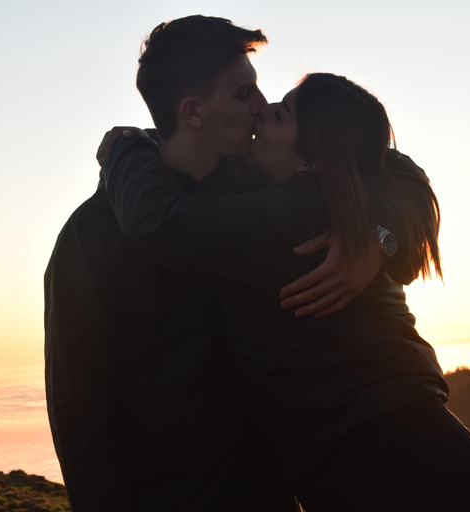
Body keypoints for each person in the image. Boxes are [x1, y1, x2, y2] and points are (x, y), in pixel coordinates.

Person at [102, 73, 470, 511]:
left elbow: (158, 221)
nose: (262, 111)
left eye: (281, 115)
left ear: (312, 160)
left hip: (397, 474)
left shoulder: (292, 215)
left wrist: (126, 150)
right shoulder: (347, 196)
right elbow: (399, 165)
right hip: (422, 461)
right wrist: (382, 237)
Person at [45, 16, 404, 511]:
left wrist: (378, 239)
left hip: (274, 493)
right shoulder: (92, 234)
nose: (262, 105)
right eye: (242, 94)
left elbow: (388, 169)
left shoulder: (267, 185)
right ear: (193, 112)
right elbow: (78, 409)